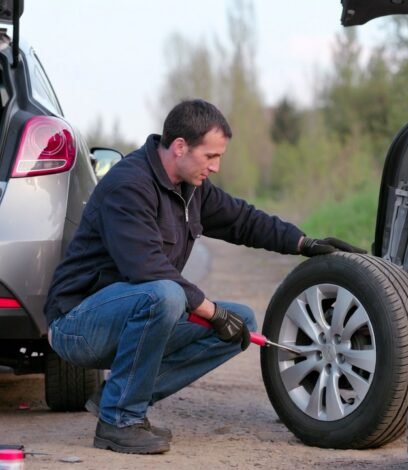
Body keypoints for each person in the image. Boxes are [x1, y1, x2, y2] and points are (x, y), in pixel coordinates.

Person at [43, 99, 364, 455]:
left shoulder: (191, 188)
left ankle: (116, 400)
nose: (216, 166)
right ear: (180, 146)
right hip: (78, 324)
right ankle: (119, 421)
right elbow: (146, 269)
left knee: (239, 323)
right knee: (165, 295)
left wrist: (304, 242)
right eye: (210, 156)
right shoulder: (129, 186)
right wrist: (211, 311)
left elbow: (243, 220)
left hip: (131, 316)